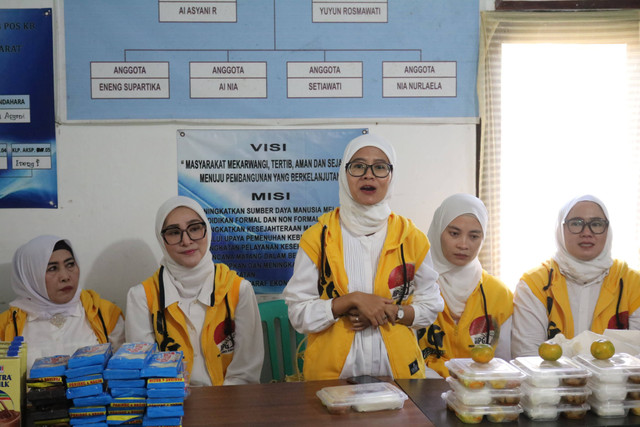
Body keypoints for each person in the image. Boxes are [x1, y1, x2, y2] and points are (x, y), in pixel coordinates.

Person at [283, 133, 444, 381]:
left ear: (392, 176)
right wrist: (350, 301)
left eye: (380, 167)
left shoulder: (412, 238)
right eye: (358, 166)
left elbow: (430, 306)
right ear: (344, 174)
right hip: (331, 379)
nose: (369, 175)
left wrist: (391, 313)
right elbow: (298, 314)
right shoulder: (317, 238)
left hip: (399, 376)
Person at [126, 195, 263, 386]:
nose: (187, 240)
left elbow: (245, 373)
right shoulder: (141, 297)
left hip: (231, 403)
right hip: (171, 405)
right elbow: (144, 369)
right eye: (174, 232)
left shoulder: (239, 290)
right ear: (161, 239)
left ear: (207, 229)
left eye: (195, 228)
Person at [511, 195, 640, 357]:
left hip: (616, 382)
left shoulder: (634, 284)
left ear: (608, 230)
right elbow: (527, 356)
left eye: (597, 224)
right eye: (576, 223)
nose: (587, 232)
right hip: (551, 382)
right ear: (560, 229)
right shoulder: (534, 284)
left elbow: (637, 357)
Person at [417, 194, 513, 377]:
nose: (463, 244)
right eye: (454, 233)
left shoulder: (499, 294)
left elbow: (503, 363)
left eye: (474, 236)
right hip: (422, 392)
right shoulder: (415, 286)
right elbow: (406, 357)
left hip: (480, 394)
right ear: (438, 231)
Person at [0, 235, 125, 373]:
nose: (65, 276)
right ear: (31, 276)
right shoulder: (7, 326)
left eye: (70, 264)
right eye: (52, 268)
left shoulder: (104, 314)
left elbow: (123, 373)